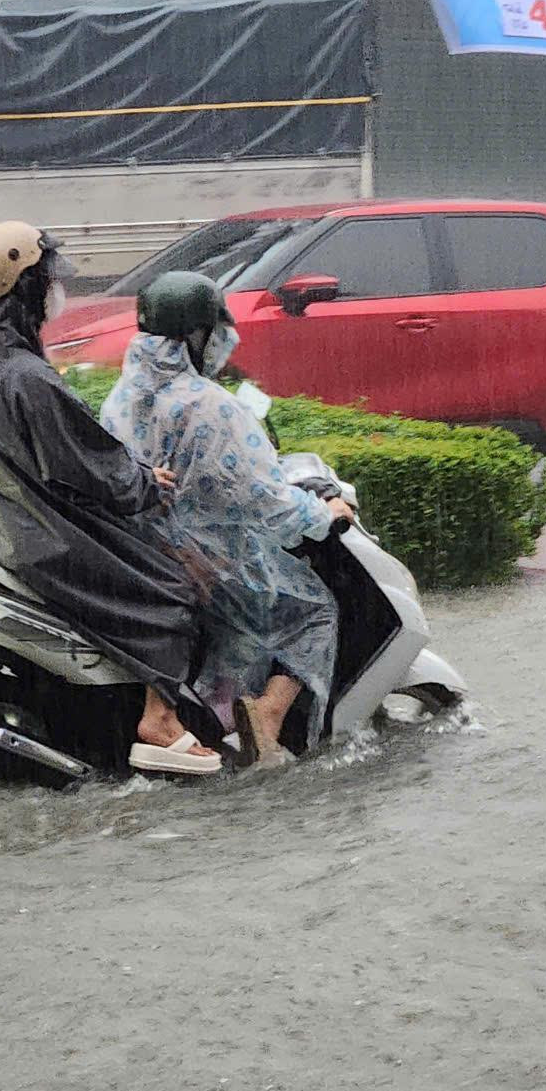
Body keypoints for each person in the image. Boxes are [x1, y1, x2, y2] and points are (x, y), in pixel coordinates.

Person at [0, 222, 220, 775]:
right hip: (35, 538)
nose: (57, 288)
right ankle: (159, 721)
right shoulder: (24, 375)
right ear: (26, 288)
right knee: (176, 587)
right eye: (47, 279)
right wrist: (144, 483)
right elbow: (88, 463)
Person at [100, 271, 353, 767]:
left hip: (149, 552)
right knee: (313, 610)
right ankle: (268, 714)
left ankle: (219, 724)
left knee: (246, 626)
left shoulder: (123, 398)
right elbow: (265, 499)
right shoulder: (213, 406)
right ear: (197, 335)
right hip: (211, 559)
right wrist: (323, 513)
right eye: (216, 332)